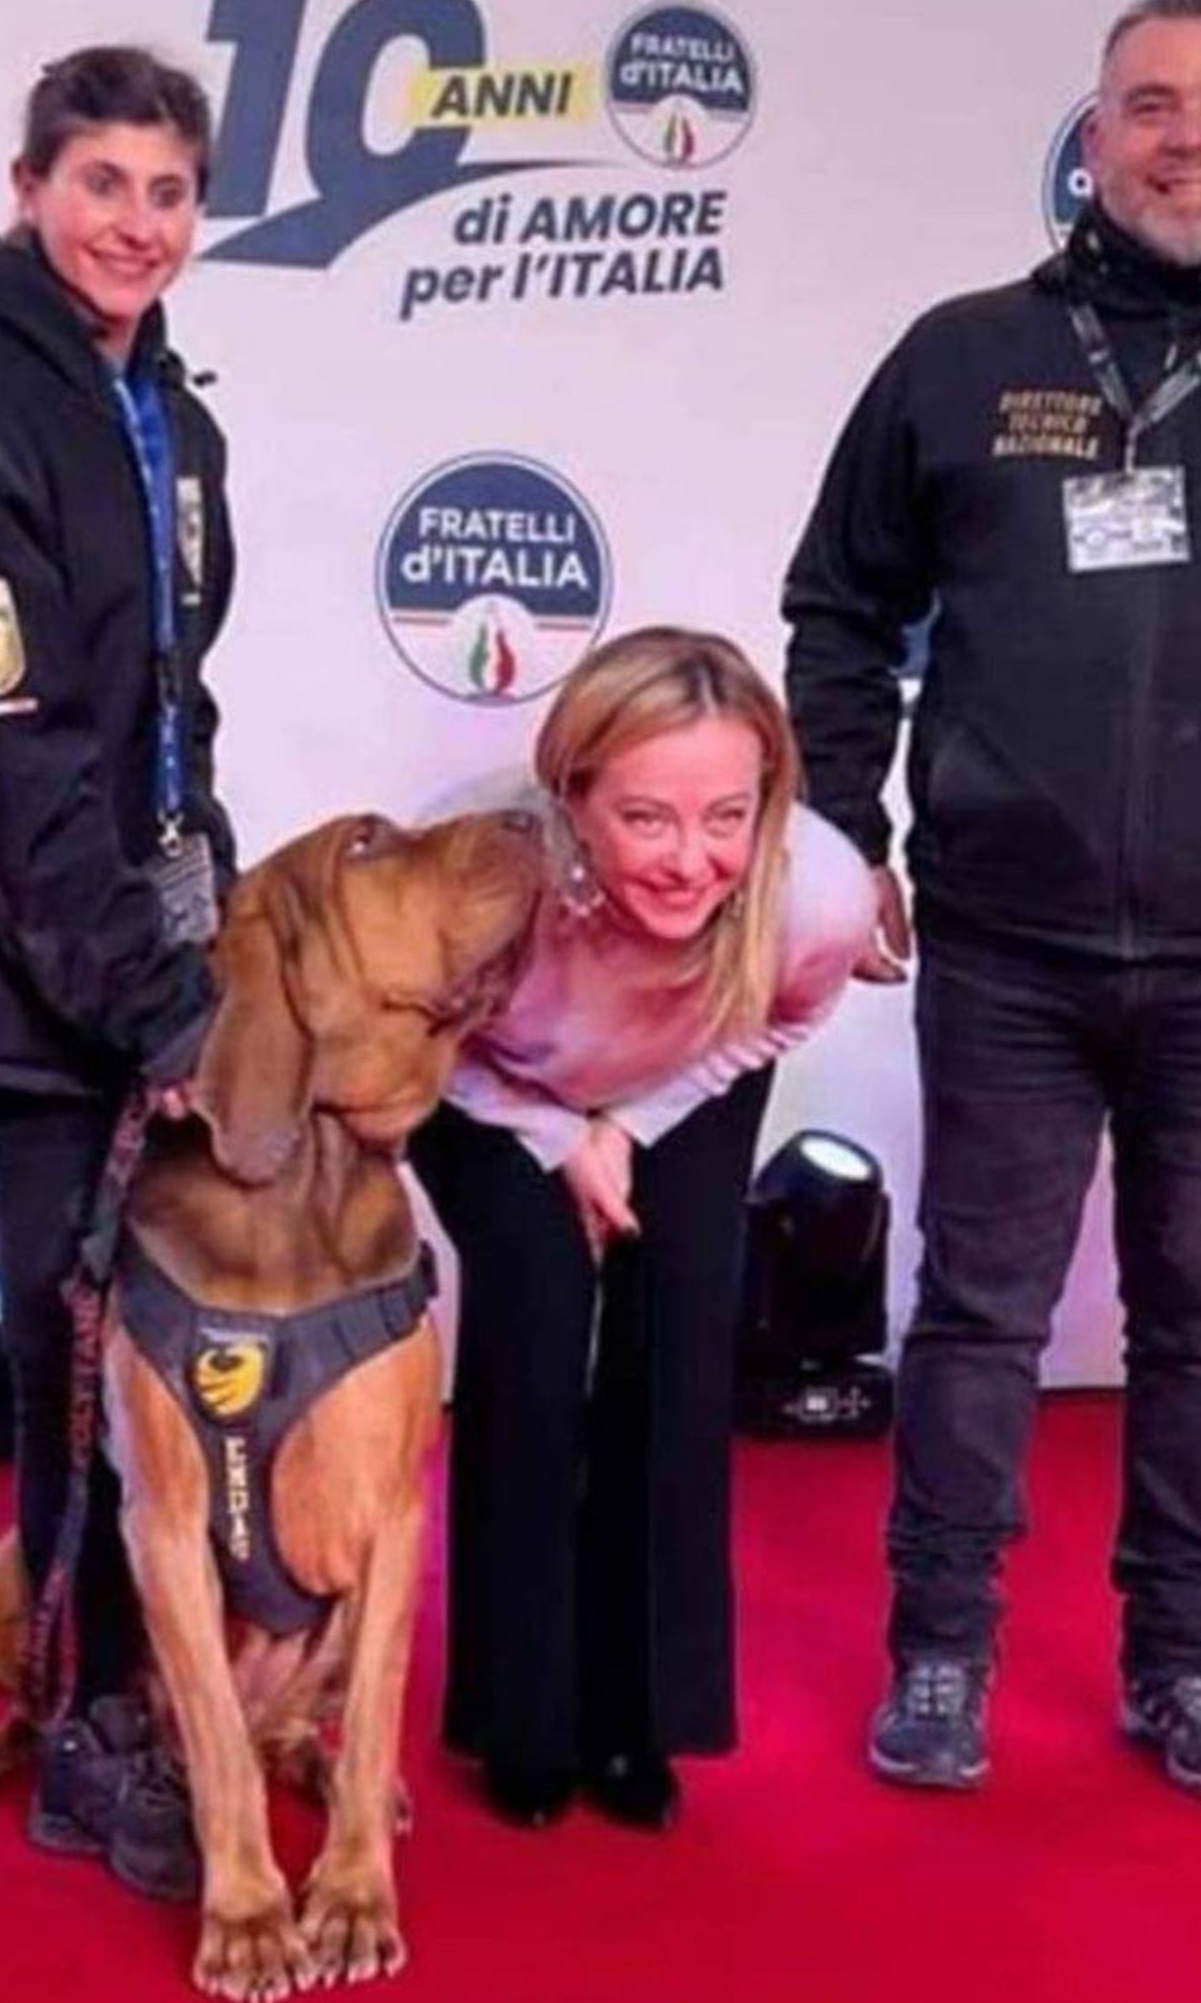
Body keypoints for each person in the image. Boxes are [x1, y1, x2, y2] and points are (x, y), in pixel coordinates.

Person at [783, 0, 1201, 1802]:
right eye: (1151, 106)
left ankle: (1185, 1664)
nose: (1190, 138)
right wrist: (844, 835)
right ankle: (940, 1652)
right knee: (979, 1308)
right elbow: (838, 607)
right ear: (1094, 137)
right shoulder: (964, 352)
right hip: (1008, 932)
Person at [0, 45, 238, 1889]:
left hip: (111, 938)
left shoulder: (176, 420)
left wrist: (208, 922)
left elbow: (165, 720)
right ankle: (87, 1716)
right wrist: (155, 1000)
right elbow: (19, 746)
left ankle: (113, 1701)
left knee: (116, 1354)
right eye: (102, 182)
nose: (135, 221)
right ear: (32, 184)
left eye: (168, 191)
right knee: (59, 1346)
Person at [408, 627, 876, 1829]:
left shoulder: (816, 890)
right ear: (570, 797)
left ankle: (639, 1718)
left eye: (728, 814)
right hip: (488, 1086)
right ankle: (523, 1717)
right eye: (647, 818)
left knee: (676, 1342)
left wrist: (634, 1120)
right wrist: (561, 1134)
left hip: (693, 1066)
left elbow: (776, 1021)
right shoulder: (472, 875)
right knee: (533, 1324)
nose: (690, 859)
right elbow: (411, 1037)